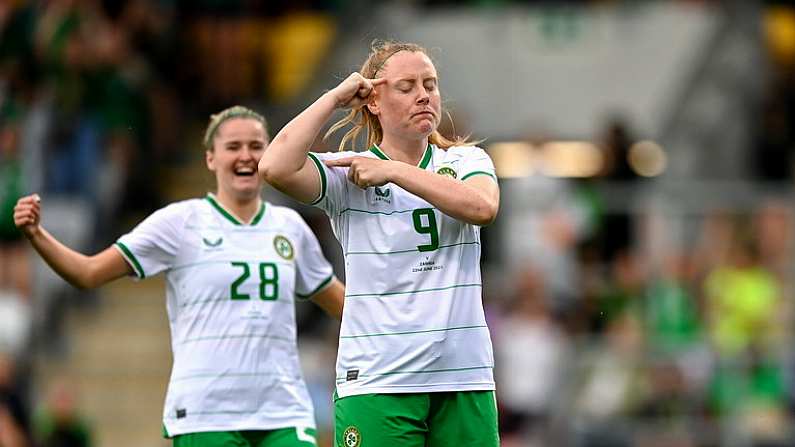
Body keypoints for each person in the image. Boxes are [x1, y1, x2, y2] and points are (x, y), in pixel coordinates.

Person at [14, 106, 345, 446]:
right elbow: (88, 272)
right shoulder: (179, 222)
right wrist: (37, 235)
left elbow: (343, 305)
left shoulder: (290, 227)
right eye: (233, 147)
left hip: (283, 411)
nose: (245, 156)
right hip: (206, 412)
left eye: (256, 146)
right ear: (210, 159)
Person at [259, 40, 500, 447]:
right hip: (378, 379)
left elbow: (482, 207)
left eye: (430, 84)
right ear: (373, 101)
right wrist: (334, 98)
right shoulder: (349, 174)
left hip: (463, 375)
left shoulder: (465, 161)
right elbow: (274, 166)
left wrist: (393, 172)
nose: (424, 95)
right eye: (406, 87)